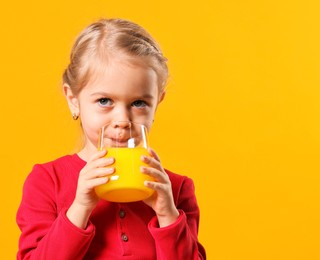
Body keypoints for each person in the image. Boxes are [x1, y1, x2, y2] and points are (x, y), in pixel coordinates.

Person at [16, 18, 206, 259]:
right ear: (73, 100)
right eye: (104, 101)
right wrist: (80, 207)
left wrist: (167, 214)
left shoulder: (176, 189)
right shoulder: (46, 181)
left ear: (157, 103)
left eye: (139, 103)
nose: (122, 119)